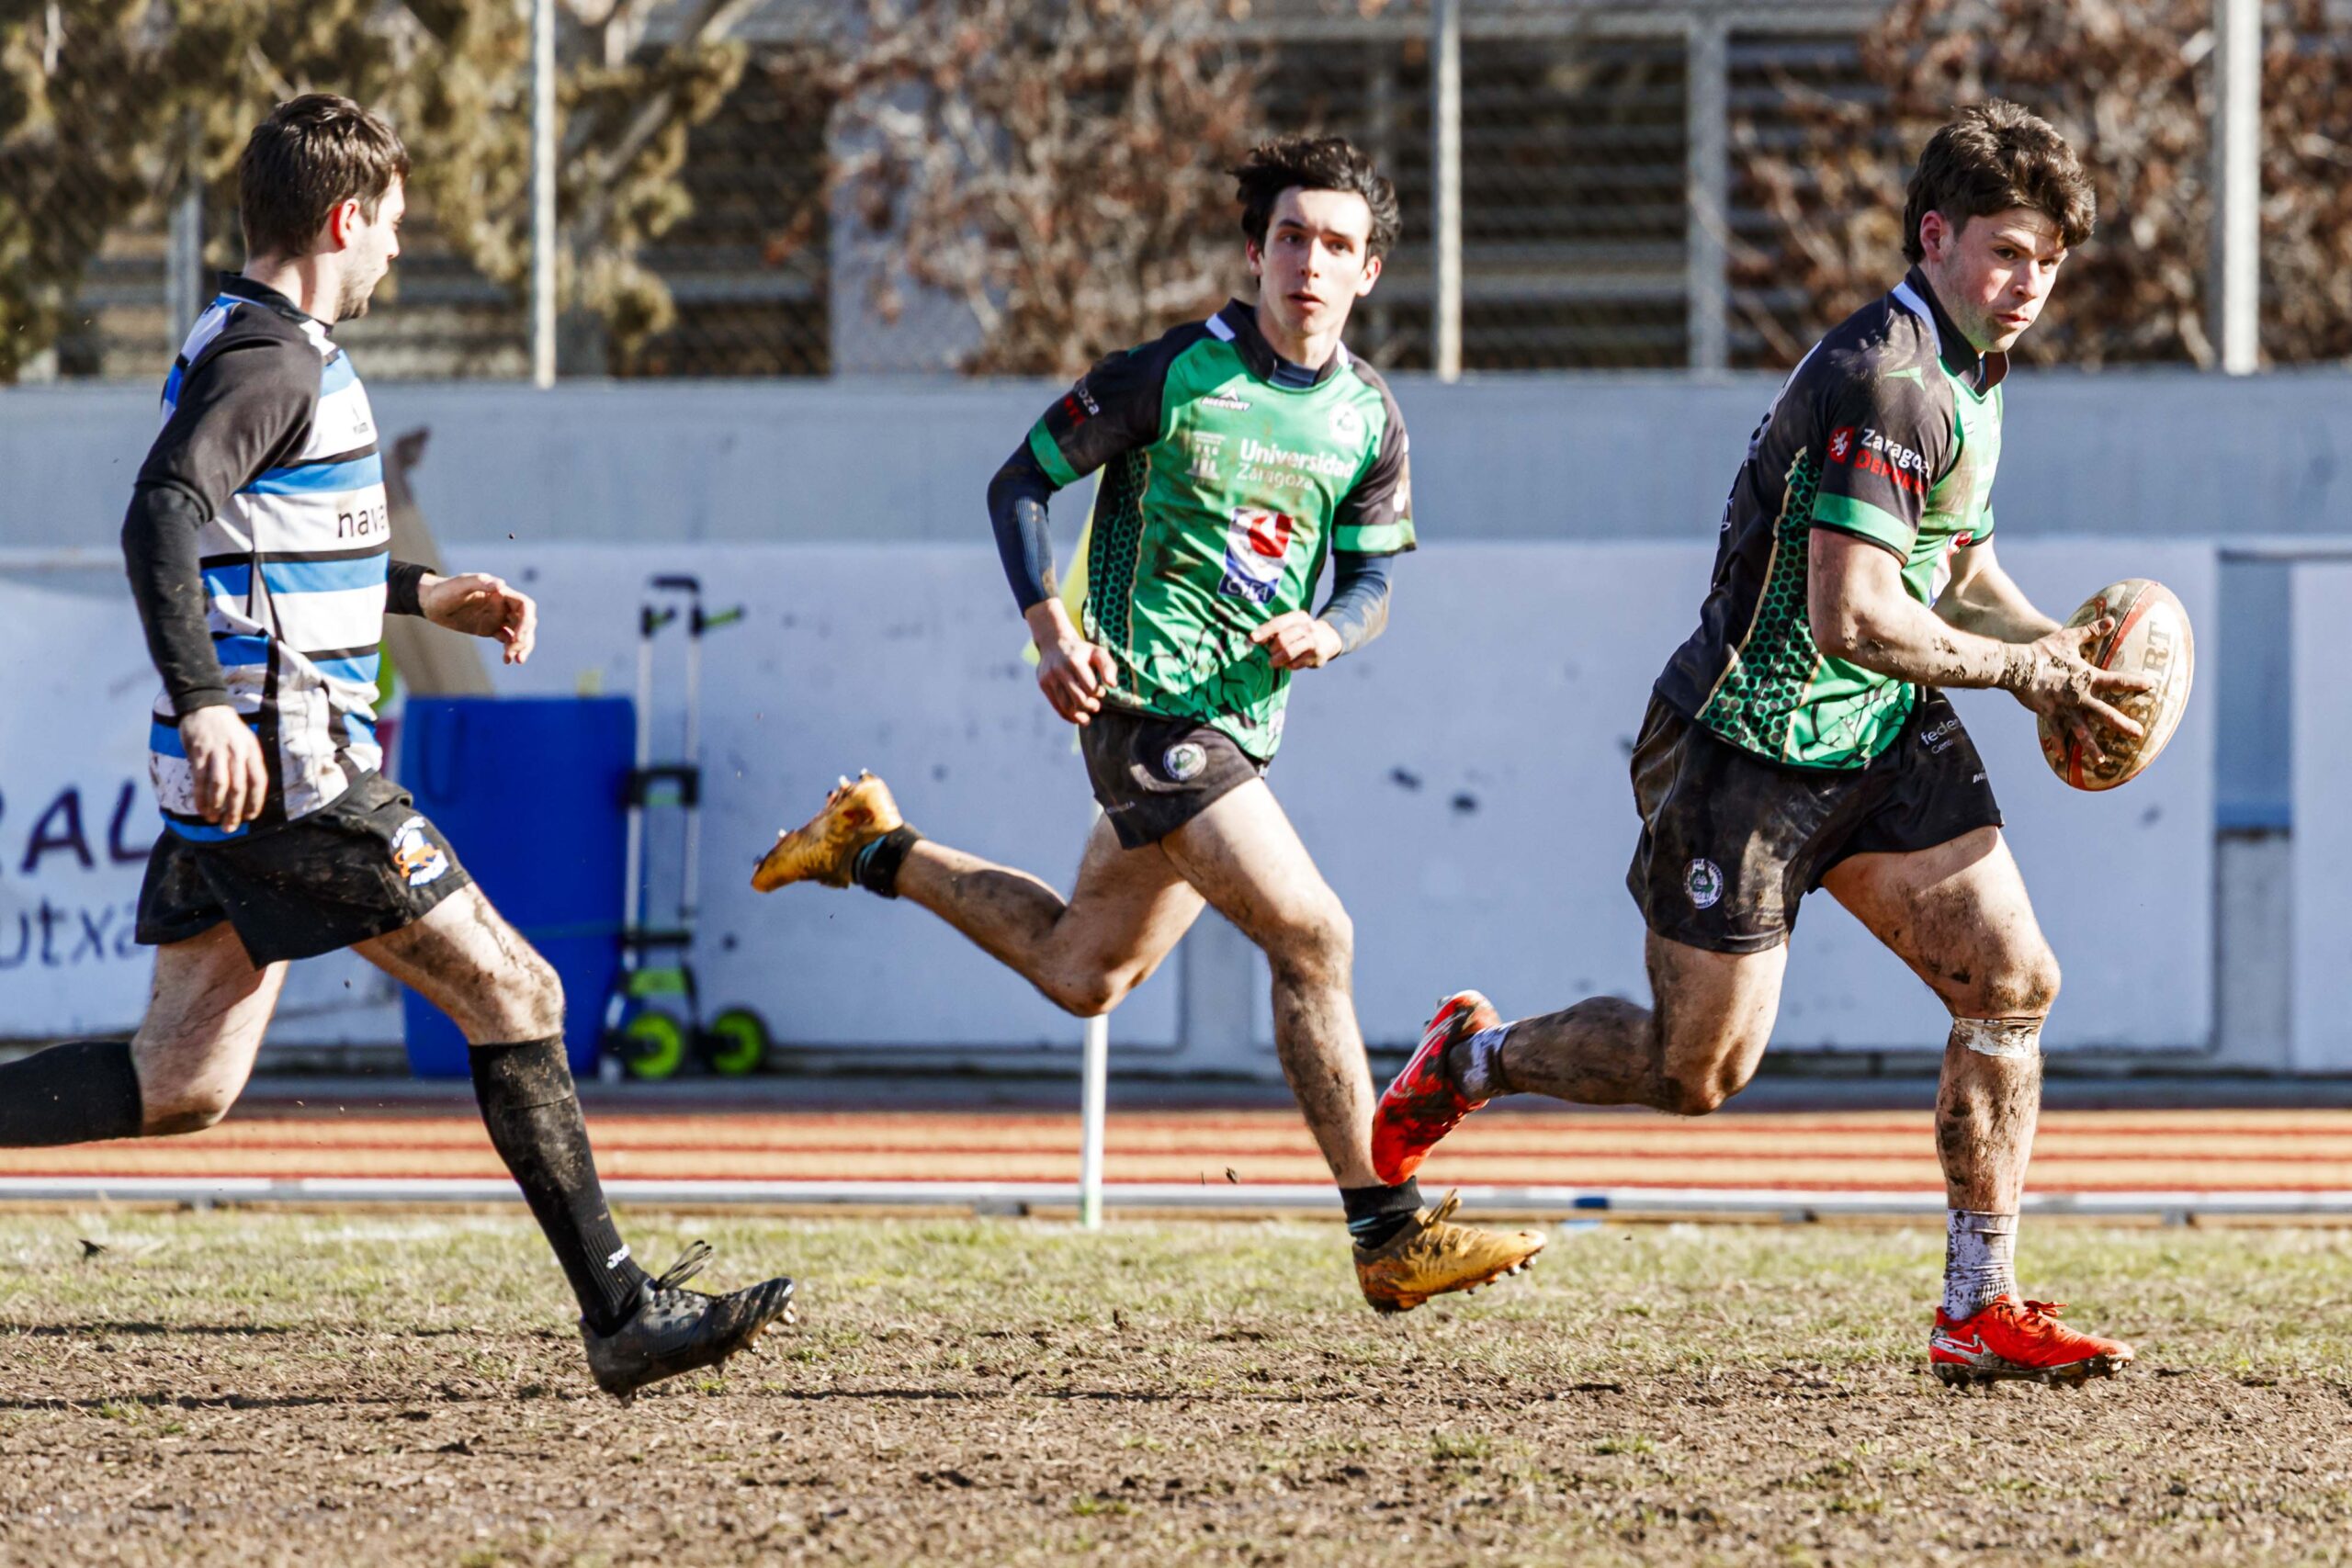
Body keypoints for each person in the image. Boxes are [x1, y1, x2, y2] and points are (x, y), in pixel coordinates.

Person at [0, 95, 792, 1399]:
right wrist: (203, 702)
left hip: (247, 771)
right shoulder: (276, 361)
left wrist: (429, 595)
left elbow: (276, 542)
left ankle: (622, 1311)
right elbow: (162, 516)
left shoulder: (246, 336)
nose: (398, 257)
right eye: (394, 229)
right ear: (343, 216)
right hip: (291, 773)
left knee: (179, 1080)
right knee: (522, 993)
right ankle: (623, 1310)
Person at [1372, 102, 2153, 1384]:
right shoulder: (1886, 377)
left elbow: (1954, 567)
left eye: (2051, 260)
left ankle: (1979, 1301)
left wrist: (2054, 647)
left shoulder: (1972, 369)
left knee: (2012, 982)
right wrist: (2020, 668)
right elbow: (1853, 613)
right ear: (1935, 234)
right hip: (1743, 746)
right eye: (2009, 251)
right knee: (1698, 1070)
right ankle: (1472, 1055)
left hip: (1882, 735)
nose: (2031, 284)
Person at [753, 135, 1544, 1314]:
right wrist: (1049, 629)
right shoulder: (1172, 372)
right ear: (1253, 250)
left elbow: (1374, 583)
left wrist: (1330, 628)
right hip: (1145, 710)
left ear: (1370, 270)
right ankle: (1384, 1230)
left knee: (1084, 973)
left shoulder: (1370, 418)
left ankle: (871, 845)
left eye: (1337, 246)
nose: (1310, 265)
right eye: (1291, 239)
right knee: (1312, 936)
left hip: (1236, 725)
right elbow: (1018, 481)